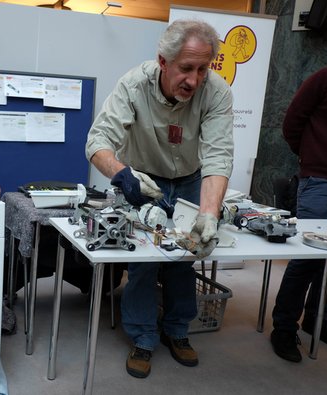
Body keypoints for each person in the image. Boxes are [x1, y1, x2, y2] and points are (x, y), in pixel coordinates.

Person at [85, 19, 234, 378]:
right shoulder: (134, 85)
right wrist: (122, 175)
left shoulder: (217, 92)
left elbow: (217, 155)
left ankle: (177, 330)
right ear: (163, 62)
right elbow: (98, 141)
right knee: (143, 262)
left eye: (203, 69)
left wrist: (210, 213)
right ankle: (143, 336)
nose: (194, 80)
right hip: (143, 178)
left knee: (187, 256)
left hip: (189, 180)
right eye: (186, 68)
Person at [270, 65, 327, 362]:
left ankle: (318, 318)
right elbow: (292, 123)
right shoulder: (326, 78)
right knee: (307, 258)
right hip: (320, 179)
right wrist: (311, 156)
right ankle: (284, 327)